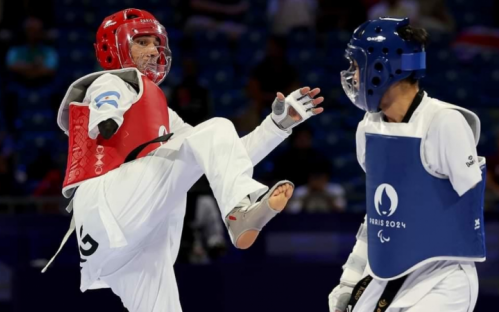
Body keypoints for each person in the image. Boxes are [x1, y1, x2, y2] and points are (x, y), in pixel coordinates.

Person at [41, 9, 324, 312]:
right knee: (217, 127)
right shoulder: (112, 82)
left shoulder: (160, 110)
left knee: (214, 137)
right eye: (142, 42)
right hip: (109, 204)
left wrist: (276, 126)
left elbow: (221, 154)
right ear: (115, 48)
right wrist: (105, 119)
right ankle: (238, 211)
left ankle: (240, 208)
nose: (153, 50)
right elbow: (103, 102)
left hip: (123, 243)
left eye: (156, 43)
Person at [328, 18, 486, 312]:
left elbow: (469, 211)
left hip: (442, 277)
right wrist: (349, 280)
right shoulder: (368, 127)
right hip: (387, 271)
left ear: (381, 67)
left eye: (358, 65)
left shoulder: (444, 123)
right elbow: (378, 217)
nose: (353, 75)